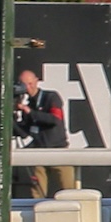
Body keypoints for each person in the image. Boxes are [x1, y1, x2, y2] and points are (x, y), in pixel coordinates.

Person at [14, 68, 77, 197]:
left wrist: (30, 112)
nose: (28, 87)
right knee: (37, 192)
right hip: (38, 152)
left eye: (30, 84)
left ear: (37, 81)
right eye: (24, 84)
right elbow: (25, 130)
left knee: (69, 190)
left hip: (58, 150)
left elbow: (55, 119)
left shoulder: (51, 97)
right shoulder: (27, 103)